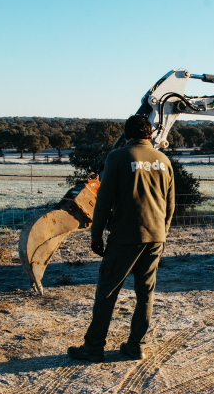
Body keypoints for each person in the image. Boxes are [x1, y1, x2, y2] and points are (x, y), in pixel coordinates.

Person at [68, 115, 175, 362]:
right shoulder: (163, 160)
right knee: (145, 292)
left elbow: (103, 203)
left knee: (107, 290)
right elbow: (170, 206)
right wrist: (162, 233)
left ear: (127, 135)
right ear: (149, 135)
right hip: (156, 236)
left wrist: (96, 236)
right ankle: (137, 346)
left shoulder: (117, 158)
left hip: (125, 236)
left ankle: (93, 347)